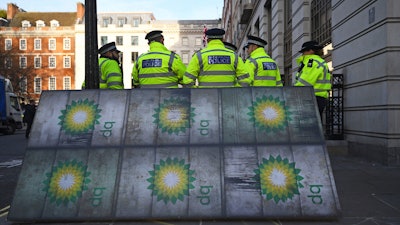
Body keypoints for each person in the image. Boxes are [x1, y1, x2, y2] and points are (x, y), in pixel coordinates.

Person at [183, 28, 251, 88]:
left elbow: (187, 81)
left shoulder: (199, 56)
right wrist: (234, 90)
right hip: (229, 98)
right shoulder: (234, 56)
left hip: (205, 99)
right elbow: (246, 80)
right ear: (222, 40)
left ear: (207, 40)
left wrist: (198, 92)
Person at [294, 40, 331, 118]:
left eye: (304, 51)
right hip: (319, 98)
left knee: (308, 125)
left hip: (311, 97)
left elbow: (305, 82)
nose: (303, 54)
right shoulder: (320, 62)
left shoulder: (312, 62)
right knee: (315, 124)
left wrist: (293, 94)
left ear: (311, 50)